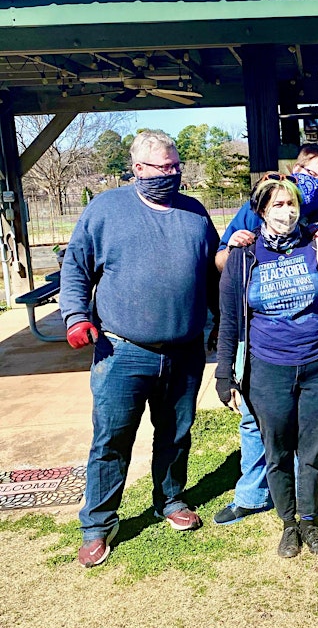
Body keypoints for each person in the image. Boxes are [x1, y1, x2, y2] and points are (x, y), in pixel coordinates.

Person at [59, 131, 220, 568]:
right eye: (162, 168)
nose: (172, 175)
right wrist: (76, 316)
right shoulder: (106, 210)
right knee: (112, 439)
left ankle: (169, 500)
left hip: (184, 351)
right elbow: (75, 267)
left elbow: (211, 273)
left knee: (176, 433)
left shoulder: (194, 212)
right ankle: (98, 523)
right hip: (123, 351)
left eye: (175, 166)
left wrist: (216, 325)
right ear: (138, 170)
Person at [215, 174, 318, 558]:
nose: (286, 212)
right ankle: (288, 523)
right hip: (267, 369)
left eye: (291, 204)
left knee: (311, 450)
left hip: (317, 366)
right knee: (276, 450)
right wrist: (224, 374)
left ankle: (309, 522)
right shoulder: (243, 258)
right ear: (260, 210)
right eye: (277, 205)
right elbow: (230, 320)